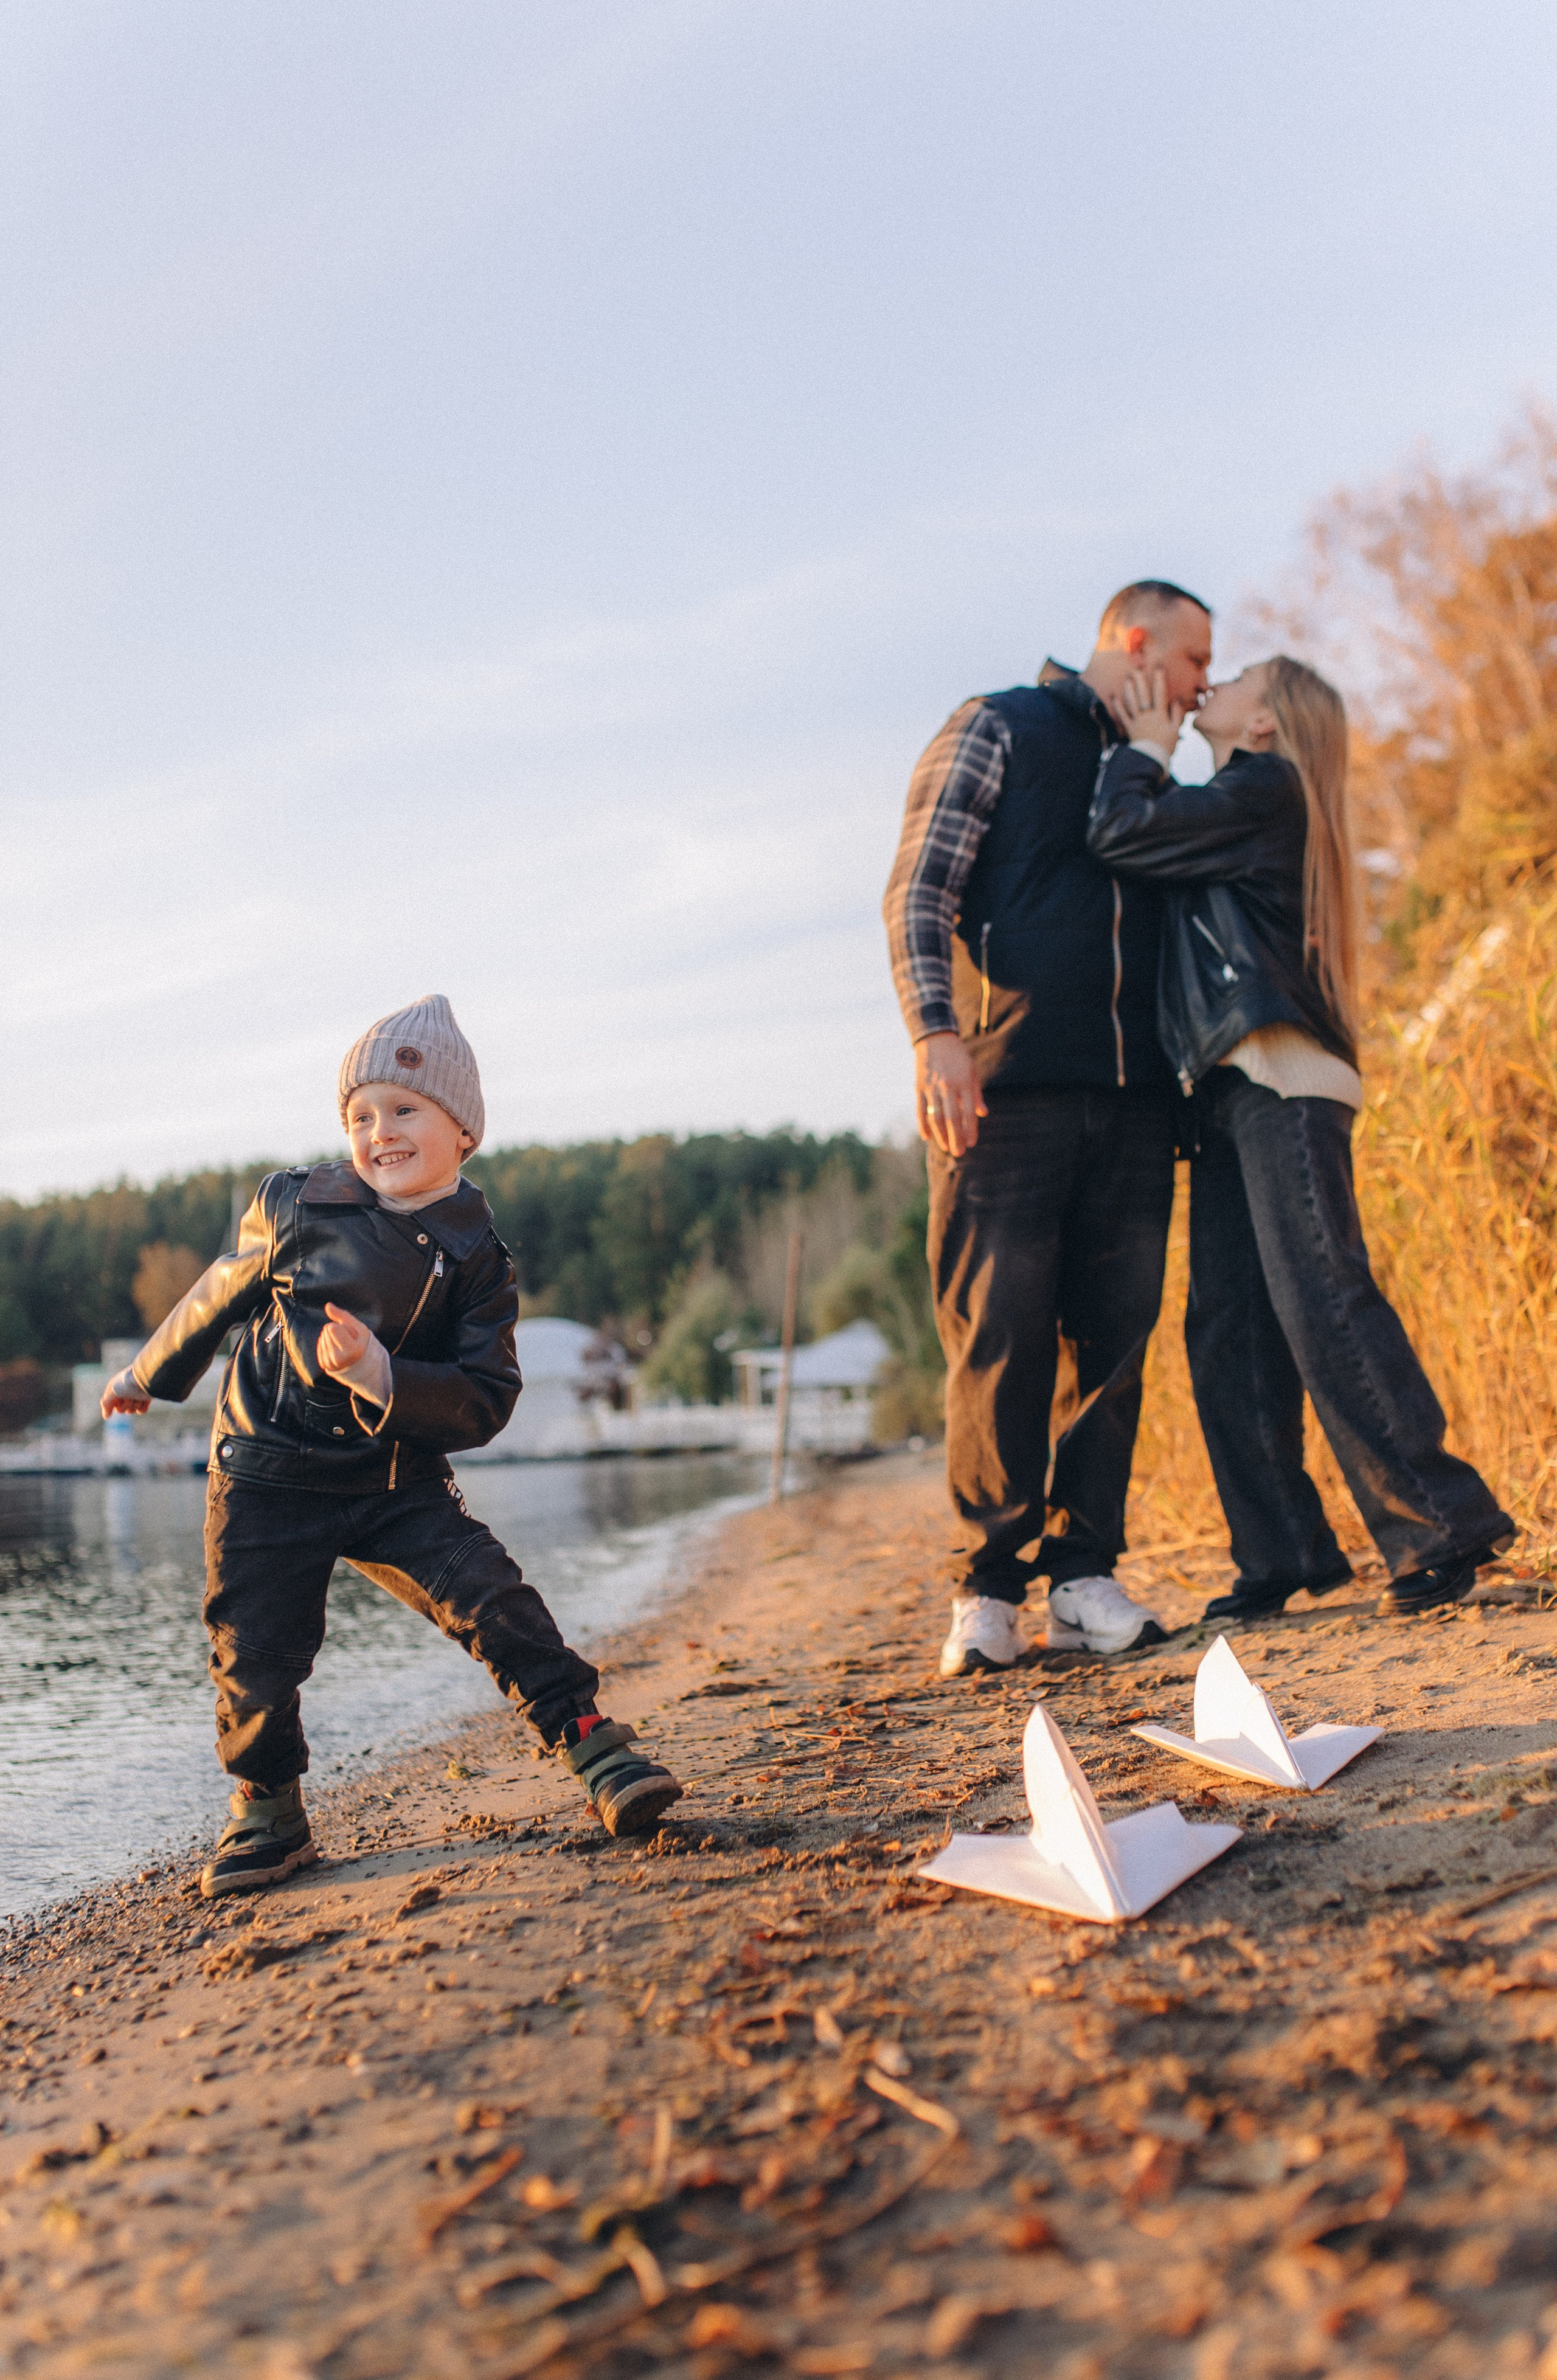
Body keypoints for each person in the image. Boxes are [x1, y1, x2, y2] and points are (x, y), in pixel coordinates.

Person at [101, 994, 683, 1897]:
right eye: (361, 1116)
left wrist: (382, 1375)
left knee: (492, 1598)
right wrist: (150, 1371)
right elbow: (218, 1292)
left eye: (405, 1109)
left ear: (463, 1130)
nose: (381, 1132)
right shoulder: (300, 1205)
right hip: (267, 1470)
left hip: (395, 1474)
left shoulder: (479, 1257)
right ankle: (268, 1806)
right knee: (254, 1648)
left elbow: (486, 1397)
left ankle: (592, 1742)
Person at [1086, 657, 1514, 1619]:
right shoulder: (1239, 800)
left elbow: (1121, 830)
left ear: (1266, 723)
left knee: (1323, 1297)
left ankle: (1439, 1522)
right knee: (1227, 1328)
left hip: (1283, 1074)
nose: (1215, 680)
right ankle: (1278, 1552)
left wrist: (1144, 747)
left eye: (1236, 676)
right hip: (1230, 1084)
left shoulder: (1266, 787)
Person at [883, 582, 1213, 1674]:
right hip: (1002, 1090)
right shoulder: (1000, 726)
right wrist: (936, 1033)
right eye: (1193, 659)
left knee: (1111, 1345)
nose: (1202, 685)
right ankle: (988, 1590)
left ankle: (1083, 1578)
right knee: (999, 1337)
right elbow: (919, 890)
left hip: (1136, 1097)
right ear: (1136, 643)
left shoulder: (1153, 768)